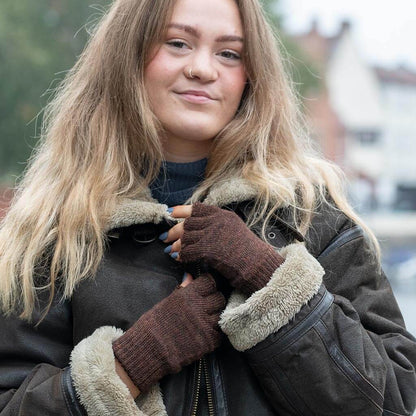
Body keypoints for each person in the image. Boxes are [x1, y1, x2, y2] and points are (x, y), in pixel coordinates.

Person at [0, 0, 415, 414]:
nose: (203, 68)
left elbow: (394, 400)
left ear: (251, 76)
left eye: (229, 53)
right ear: (127, 56)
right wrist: (135, 360)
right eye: (178, 43)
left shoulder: (310, 216)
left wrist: (267, 278)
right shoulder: (55, 231)